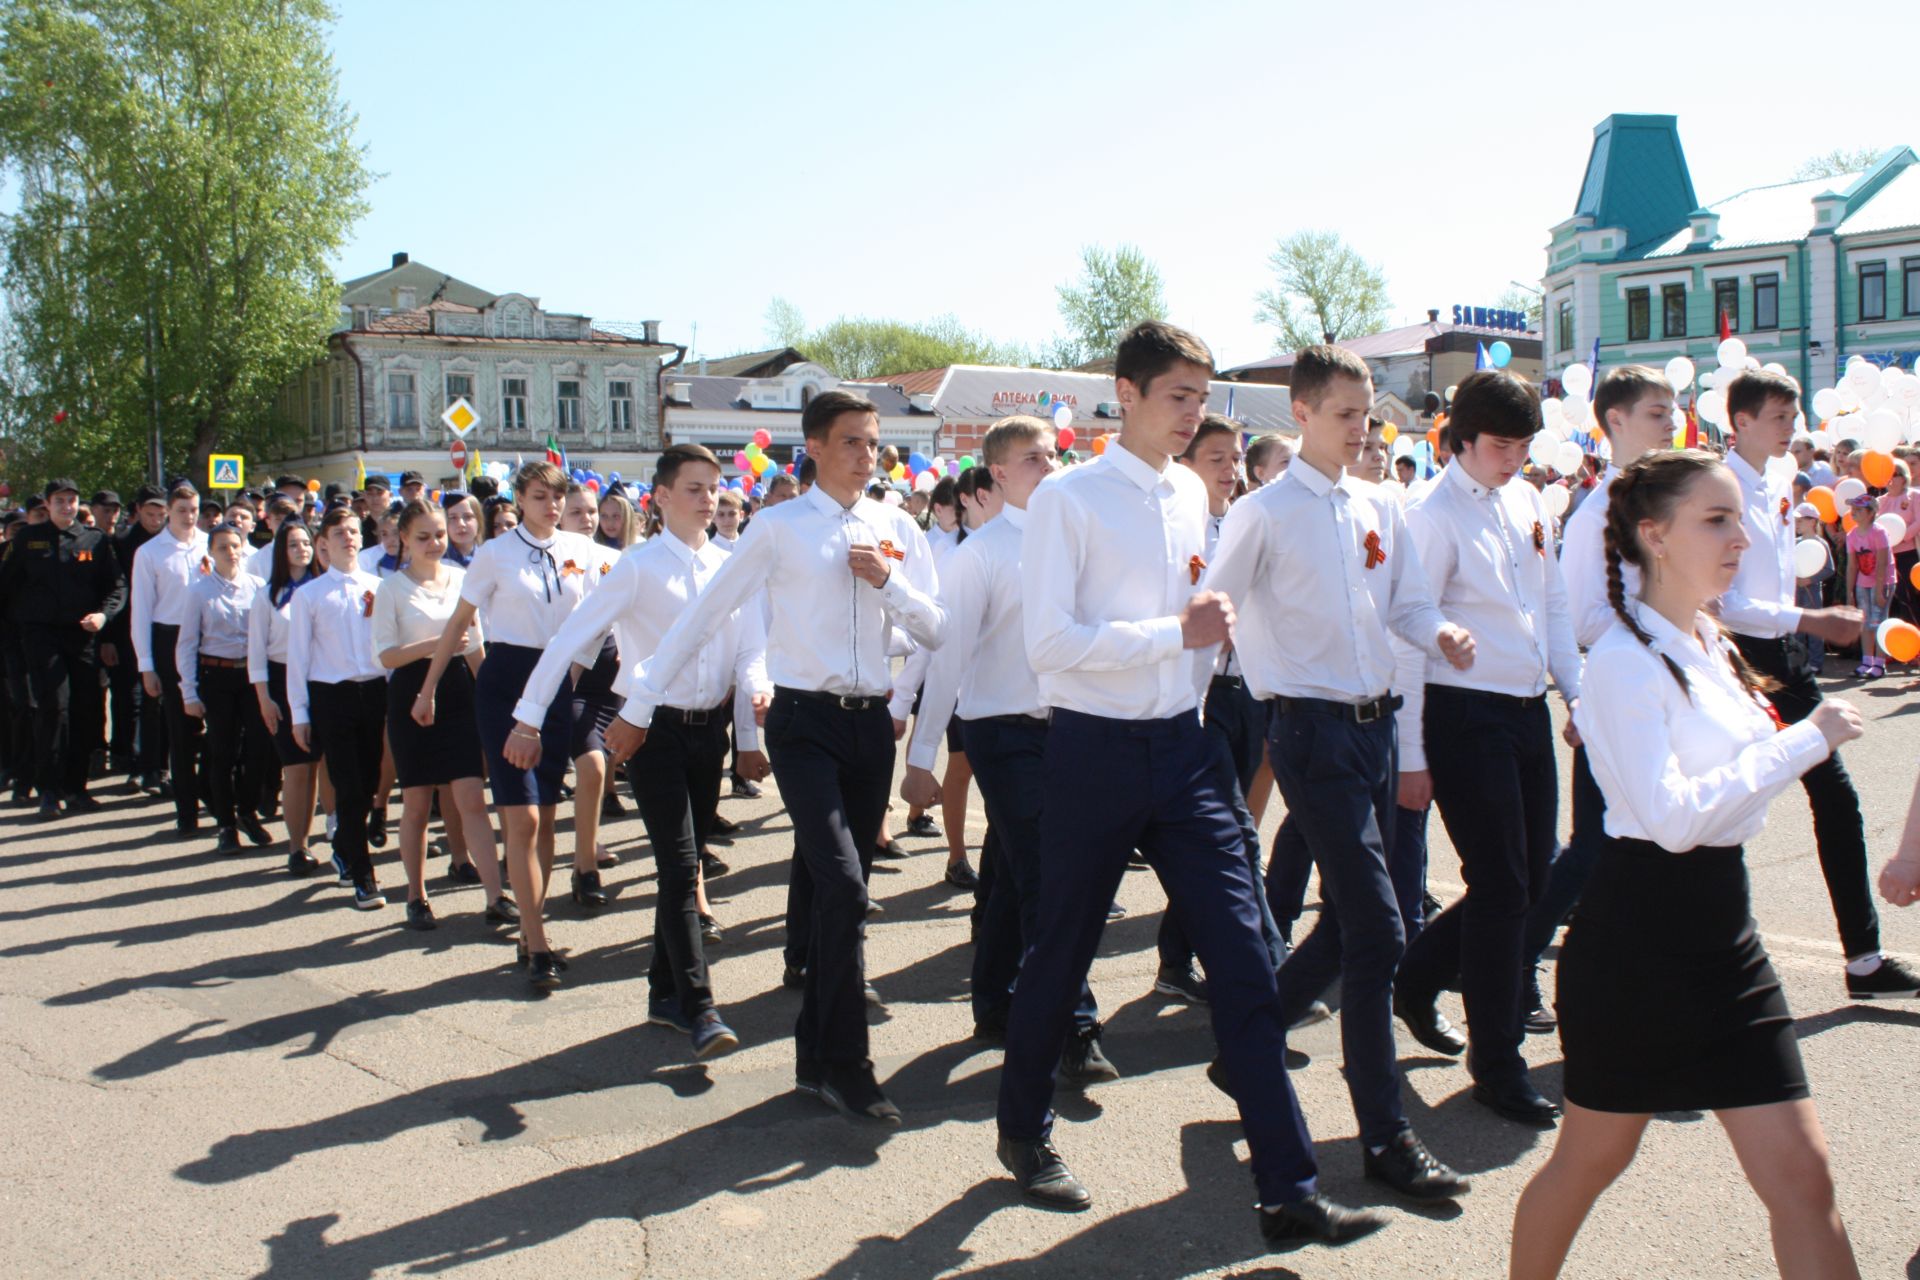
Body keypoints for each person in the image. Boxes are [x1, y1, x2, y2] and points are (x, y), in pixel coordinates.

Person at [998, 324, 1383, 1243]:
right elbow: (1048, 646)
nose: (1193, 414)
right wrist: (1175, 635)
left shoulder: (1188, 492)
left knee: (1246, 955)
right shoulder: (1070, 500)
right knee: (1061, 952)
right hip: (1092, 750)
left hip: (1184, 753)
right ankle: (1022, 1132)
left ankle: (1289, 1187)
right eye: (1176, 394)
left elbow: (1215, 622)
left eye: (1202, 397)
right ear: (1124, 393)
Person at [1509, 449, 1864, 1280]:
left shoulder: (1709, 639)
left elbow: (1732, 805)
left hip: (1726, 942)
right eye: (1717, 520)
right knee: (1590, 1164)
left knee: (1804, 1181)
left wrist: (1785, 752)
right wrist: (1804, 743)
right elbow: (1671, 821)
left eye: (1739, 517)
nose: (1741, 537)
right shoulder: (1625, 663)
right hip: (1637, 953)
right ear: (1654, 536)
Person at [606, 389, 945, 1123]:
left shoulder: (894, 525)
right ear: (815, 448)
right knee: (848, 888)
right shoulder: (779, 527)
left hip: (869, 724)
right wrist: (640, 702)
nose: (867, 456)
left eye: (874, 442)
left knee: (838, 899)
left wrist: (890, 584)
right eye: (851, 442)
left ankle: (817, 1059)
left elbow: (937, 627)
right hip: (804, 724)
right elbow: (707, 613)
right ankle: (846, 1063)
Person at [1206, 342, 1475, 1219]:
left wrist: (1439, 635)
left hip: (1375, 726)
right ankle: (1386, 1137)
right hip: (1310, 732)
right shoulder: (1267, 512)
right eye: (1347, 414)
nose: (1364, 429)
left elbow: (1402, 603)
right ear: (1304, 415)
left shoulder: (1379, 503)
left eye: (1369, 413)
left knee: (1359, 923)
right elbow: (1218, 612)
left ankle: (1247, 1040)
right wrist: (1270, 683)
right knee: (1381, 932)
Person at [514, 444, 763, 1060]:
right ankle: (700, 1006)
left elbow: (752, 649)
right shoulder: (636, 568)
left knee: (688, 859)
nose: (709, 499)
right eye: (695, 488)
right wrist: (527, 718)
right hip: (648, 731)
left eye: (715, 488)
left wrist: (754, 717)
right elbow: (571, 638)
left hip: (710, 731)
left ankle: (661, 990)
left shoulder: (734, 566)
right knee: (681, 866)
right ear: (661, 499)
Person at [1390, 370, 1581, 1126]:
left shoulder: (1528, 500)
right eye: (1500, 446)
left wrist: (1578, 693)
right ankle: (1496, 1062)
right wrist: (1411, 755)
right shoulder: (1429, 516)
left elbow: (1553, 601)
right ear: (1459, 440)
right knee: (1502, 886)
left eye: (1523, 445)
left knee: (1529, 882)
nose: (1514, 459)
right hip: (1461, 714)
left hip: (1526, 707)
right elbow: (1408, 632)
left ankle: (1419, 973)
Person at [1719, 369, 1918, 998]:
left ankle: (1863, 961)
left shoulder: (1781, 479)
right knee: (1715, 807)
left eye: (1793, 417)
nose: (1791, 430)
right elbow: (1724, 601)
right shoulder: (1715, 487)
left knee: (1835, 797)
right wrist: (1809, 618)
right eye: (1779, 418)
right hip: (1734, 657)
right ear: (1742, 422)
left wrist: (1800, 623)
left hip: (1785, 656)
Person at [902, 415, 1086, 1046]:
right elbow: (946, 658)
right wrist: (921, 755)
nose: (1049, 468)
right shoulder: (980, 554)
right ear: (999, 475)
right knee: (1048, 876)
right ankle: (1073, 1026)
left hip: (1064, 729)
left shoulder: (1074, 542)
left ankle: (992, 999)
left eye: (1052, 456)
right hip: (1000, 731)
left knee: (1012, 871)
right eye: (1033, 459)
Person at [1517, 365, 1677, 1033]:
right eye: (1656, 413)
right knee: (1591, 850)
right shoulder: (1596, 514)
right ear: (1615, 422)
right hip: (1616, 693)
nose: (1672, 423)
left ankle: (1643, 986)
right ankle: (1510, 959)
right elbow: (1582, 617)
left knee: (1657, 843)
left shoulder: (1669, 499)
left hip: (1664, 692)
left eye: (1672, 412)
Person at [417, 461, 600, 989]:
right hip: (505, 685)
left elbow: (593, 622)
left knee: (544, 814)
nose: (551, 506)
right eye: (540, 496)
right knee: (521, 821)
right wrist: (428, 688)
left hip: (556, 683)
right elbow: (460, 623)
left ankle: (528, 925)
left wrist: (571, 673)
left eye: (558, 497)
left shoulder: (579, 551)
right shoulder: (494, 554)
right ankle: (538, 941)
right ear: (520, 498)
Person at [1152, 415, 1286, 1003]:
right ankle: (1273, 974)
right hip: (1191, 703)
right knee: (1237, 841)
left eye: (1236, 460)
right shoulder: (1172, 535)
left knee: (1227, 838)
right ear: (1185, 464)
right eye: (1217, 460)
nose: (1231, 472)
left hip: (1242, 691)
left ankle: (1176, 960)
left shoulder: (1244, 523)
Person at [373, 500, 509, 930]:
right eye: (423, 537)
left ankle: (495, 896)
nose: (434, 543)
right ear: (404, 540)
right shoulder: (391, 588)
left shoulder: (462, 579)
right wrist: (438, 642)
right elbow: (387, 657)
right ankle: (415, 895)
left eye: (440, 534)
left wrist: (494, 700)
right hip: (411, 697)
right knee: (415, 802)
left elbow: (475, 647)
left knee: (471, 796)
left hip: (457, 696)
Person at [0, 477, 126, 817]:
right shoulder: (28, 538)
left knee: (85, 711)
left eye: (72, 500)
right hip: (40, 637)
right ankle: (48, 790)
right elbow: (5, 585)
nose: (66, 506)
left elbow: (116, 587)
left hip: (82, 636)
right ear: (47, 504)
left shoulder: (94, 540)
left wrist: (103, 616)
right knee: (53, 708)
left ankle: (77, 788)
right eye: (59, 501)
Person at [288, 507, 389, 909]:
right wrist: (299, 713)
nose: (347, 538)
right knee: (346, 786)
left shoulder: (380, 586)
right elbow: (298, 659)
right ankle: (364, 876)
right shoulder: (310, 594)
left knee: (366, 785)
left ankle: (346, 849)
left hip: (374, 692)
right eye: (338, 533)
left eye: (352, 531)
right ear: (323, 544)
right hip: (332, 695)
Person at [177, 522, 271, 854]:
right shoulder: (198, 592)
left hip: (252, 676)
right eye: (222, 547)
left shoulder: (259, 587)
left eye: (235, 546)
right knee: (222, 751)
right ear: (211, 552)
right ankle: (226, 824)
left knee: (258, 747)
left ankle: (247, 810)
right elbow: (187, 643)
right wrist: (189, 691)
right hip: (217, 676)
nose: (230, 553)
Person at [554, 482, 622, 905]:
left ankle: (587, 848)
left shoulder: (614, 559)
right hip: (569, 677)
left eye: (591, 511)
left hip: (609, 681)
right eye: (576, 512)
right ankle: (585, 868)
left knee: (600, 768)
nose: (588, 518)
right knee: (592, 766)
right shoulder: (555, 562)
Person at [131, 484, 211, 835]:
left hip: (210, 640)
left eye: (193, 509)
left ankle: (213, 794)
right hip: (170, 639)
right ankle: (186, 810)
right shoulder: (151, 553)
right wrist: (146, 664)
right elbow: (142, 611)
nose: (189, 516)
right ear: (168, 510)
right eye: (182, 510)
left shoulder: (210, 544)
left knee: (215, 727)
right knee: (180, 729)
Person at [249, 520, 324, 875]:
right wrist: (265, 698)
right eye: (293, 544)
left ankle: (330, 834)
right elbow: (256, 655)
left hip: (320, 678)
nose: (302, 550)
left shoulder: (322, 587)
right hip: (280, 682)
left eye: (306, 543)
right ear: (281, 551)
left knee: (320, 767)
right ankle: (298, 847)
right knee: (296, 768)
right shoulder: (265, 596)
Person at [1843, 491, 1893, 677]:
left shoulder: (1879, 532)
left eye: (1858, 509)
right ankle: (1867, 661)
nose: (1853, 512)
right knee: (1865, 623)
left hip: (1882, 582)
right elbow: (1852, 565)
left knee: (1878, 621)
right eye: (1852, 509)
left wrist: (1879, 590)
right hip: (1863, 583)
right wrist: (1849, 592)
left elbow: (1882, 563)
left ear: (1871, 513)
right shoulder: (1852, 535)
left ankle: (1880, 663)